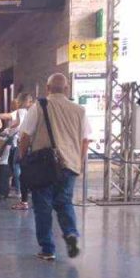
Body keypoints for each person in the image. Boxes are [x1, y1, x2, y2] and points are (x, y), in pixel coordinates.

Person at [18, 74, 91, 261]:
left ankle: (48, 249)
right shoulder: (79, 110)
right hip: (70, 165)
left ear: (47, 88)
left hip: (45, 165)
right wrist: (79, 162)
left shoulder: (39, 107)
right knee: (64, 202)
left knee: (43, 206)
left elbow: (25, 135)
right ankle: (71, 234)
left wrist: (22, 157)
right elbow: (85, 140)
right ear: (66, 89)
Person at [1, 93, 33, 210]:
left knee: (17, 167)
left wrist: (8, 129)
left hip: (20, 142)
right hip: (29, 143)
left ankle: (20, 192)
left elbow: (19, 124)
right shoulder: (31, 112)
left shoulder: (21, 111)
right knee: (22, 168)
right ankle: (24, 193)